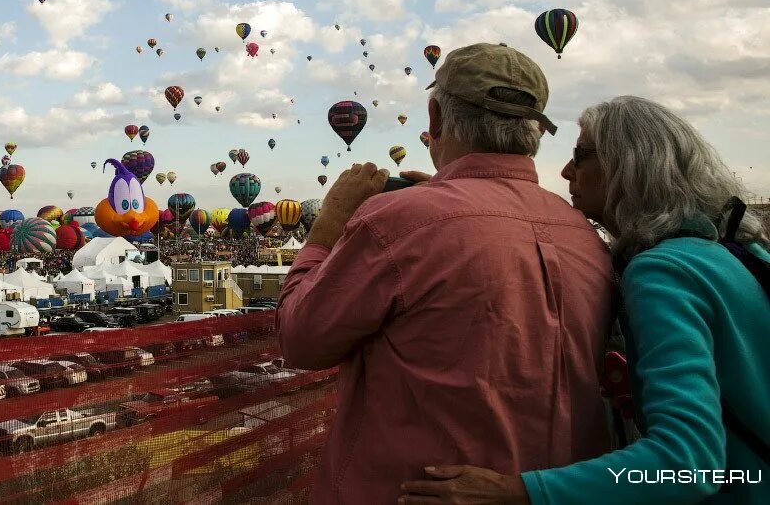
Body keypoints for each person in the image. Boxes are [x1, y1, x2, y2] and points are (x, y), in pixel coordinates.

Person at [277, 43, 614, 505]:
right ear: (535, 128)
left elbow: (300, 338)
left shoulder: (398, 221)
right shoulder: (582, 232)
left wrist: (326, 230)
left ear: (435, 119)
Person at [400, 96, 770, 505]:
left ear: (630, 166)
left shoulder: (661, 272)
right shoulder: (735, 249)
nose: (565, 170)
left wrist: (518, 491)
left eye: (582, 155)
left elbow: (688, 465)